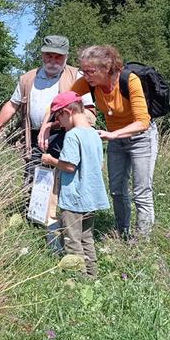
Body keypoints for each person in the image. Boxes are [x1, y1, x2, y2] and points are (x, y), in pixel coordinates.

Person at [0, 35, 95, 248]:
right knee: (33, 179)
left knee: (63, 182)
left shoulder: (76, 77)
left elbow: (89, 112)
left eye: (58, 57)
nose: (53, 60)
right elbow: (12, 106)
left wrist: (53, 125)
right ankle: (35, 225)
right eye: (48, 55)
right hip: (32, 135)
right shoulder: (27, 78)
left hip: (65, 135)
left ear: (66, 57)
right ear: (41, 55)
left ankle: (65, 229)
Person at [68, 45, 157, 239]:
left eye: (90, 71)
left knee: (141, 191)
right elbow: (66, 100)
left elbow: (143, 121)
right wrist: (49, 123)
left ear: (107, 68)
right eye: (83, 71)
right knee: (116, 189)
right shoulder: (89, 83)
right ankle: (122, 232)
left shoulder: (129, 81)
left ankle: (142, 240)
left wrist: (114, 135)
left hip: (141, 138)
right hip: (115, 138)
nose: (86, 76)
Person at [41, 91, 109, 277]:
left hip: (75, 197)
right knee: (87, 237)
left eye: (58, 117)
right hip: (91, 196)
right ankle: (92, 274)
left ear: (67, 112)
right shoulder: (94, 134)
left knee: (72, 240)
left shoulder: (72, 135)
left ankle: (78, 280)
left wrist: (50, 160)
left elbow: (69, 166)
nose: (59, 123)